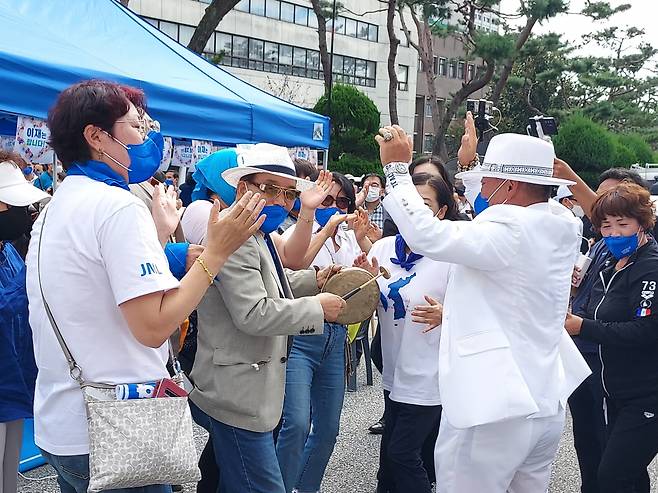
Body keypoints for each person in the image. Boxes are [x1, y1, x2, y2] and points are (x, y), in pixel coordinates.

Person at [25, 80, 265, 493]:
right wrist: (216, 253)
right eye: (138, 126)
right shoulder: (116, 205)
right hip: (116, 428)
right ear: (97, 137)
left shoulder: (58, 203)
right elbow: (153, 326)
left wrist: (159, 237)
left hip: (65, 421)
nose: (149, 137)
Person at [376, 124, 590, 493]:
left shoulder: (510, 230)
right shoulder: (562, 225)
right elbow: (498, 211)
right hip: (544, 399)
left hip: (495, 405)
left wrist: (397, 170)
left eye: (486, 179)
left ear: (508, 187)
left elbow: (427, 234)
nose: (481, 190)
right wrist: (471, 162)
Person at [189, 144, 346, 493]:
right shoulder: (238, 235)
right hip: (238, 394)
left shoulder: (253, 231)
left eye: (287, 193)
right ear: (243, 187)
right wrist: (317, 308)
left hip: (242, 389)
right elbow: (253, 312)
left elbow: (271, 281)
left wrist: (312, 280)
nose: (280, 200)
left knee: (226, 479)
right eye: (269, 188)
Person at [353, 172, 458, 493]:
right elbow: (368, 307)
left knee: (402, 454)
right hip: (395, 371)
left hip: (429, 376)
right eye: (408, 203)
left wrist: (450, 315)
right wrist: (364, 284)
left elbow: (484, 309)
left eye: (423, 204)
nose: (413, 211)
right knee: (388, 463)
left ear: (441, 212)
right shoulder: (383, 248)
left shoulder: (452, 255)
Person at [566, 182, 658, 493]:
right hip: (611, 391)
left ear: (642, 223)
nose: (614, 233)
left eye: (623, 224)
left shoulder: (650, 266)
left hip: (646, 395)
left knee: (613, 476)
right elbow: (594, 308)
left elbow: (646, 330)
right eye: (606, 225)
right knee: (627, 474)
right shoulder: (608, 262)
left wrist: (584, 328)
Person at [276, 172, 362, 493]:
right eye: (328, 199)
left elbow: (356, 288)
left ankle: (304, 487)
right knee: (296, 423)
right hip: (301, 335)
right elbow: (295, 269)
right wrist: (324, 230)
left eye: (343, 201)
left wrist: (362, 268)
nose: (336, 207)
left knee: (328, 429)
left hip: (336, 336)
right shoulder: (295, 231)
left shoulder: (347, 236)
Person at [0, 157, 49, 493]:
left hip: (12, 384)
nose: (27, 211)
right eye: (15, 205)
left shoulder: (6, 249)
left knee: (7, 475)